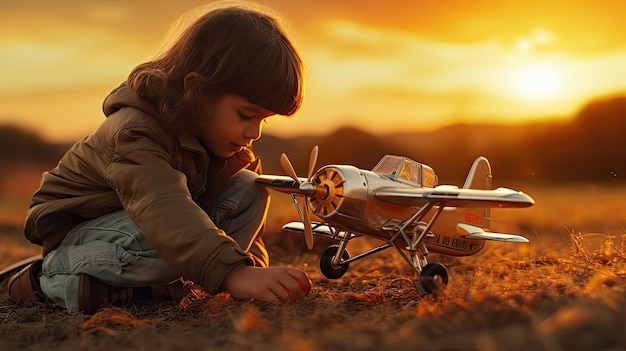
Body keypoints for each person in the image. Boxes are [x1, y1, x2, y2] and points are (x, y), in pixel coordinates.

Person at [6, 2, 312, 314]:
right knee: (168, 232)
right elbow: (163, 208)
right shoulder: (135, 131)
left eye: (264, 120)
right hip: (85, 229)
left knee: (250, 187)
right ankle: (49, 276)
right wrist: (233, 273)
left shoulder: (220, 142)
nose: (255, 133)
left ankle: (140, 287)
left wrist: (252, 272)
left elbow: (243, 231)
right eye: (246, 115)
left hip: (143, 229)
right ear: (198, 89)